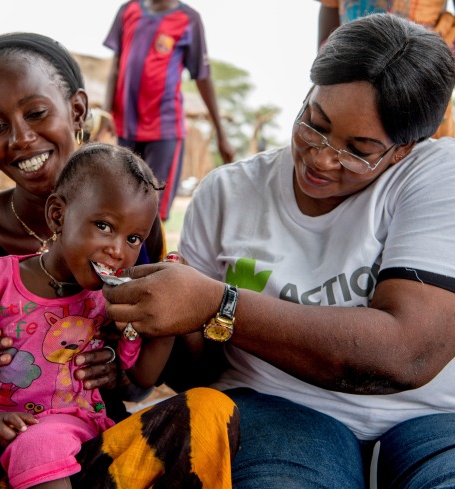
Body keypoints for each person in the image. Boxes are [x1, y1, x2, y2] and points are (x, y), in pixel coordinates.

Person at [0, 32, 239, 489]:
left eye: (37, 113)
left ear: (78, 111)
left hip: (79, 450)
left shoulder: (134, 229)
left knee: (208, 414)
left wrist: (118, 368)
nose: (22, 138)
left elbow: (141, 379)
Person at [103, 13, 455, 487]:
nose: (322, 156)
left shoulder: (437, 176)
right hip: (277, 409)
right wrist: (166, 320)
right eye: (316, 123)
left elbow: (407, 353)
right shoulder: (228, 193)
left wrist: (218, 303)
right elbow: (199, 369)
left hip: (431, 419)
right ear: (308, 92)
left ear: (403, 150)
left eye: (358, 149)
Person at [0, 143, 175, 489]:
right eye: (103, 225)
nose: (117, 250)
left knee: (40, 445)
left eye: (133, 238)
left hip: (67, 424)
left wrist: (167, 306)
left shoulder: (110, 299)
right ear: (58, 215)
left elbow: (140, 373)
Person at [103, 0, 235, 221]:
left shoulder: (188, 19)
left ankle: (153, 257)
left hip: (164, 130)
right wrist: (107, 113)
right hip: (127, 127)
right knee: (121, 207)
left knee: (153, 212)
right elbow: (115, 66)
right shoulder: (129, 10)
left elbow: (202, 76)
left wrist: (221, 135)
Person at [317, 0, 455, 138]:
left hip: (419, 81)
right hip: (347, 72)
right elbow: (330, 6)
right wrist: (326, 62)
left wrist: (438, 70)